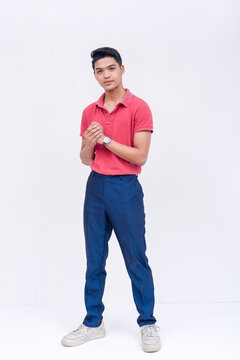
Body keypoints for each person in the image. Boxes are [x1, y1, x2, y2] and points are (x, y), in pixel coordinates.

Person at [61, 47, 161, 352]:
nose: (106, 75)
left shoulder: (139, 107)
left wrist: (105, 139)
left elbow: (140, 155)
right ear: (94, 74)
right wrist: (90, 143)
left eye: (111, 68)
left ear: (122, 69)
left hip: (125, 188)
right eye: (99, 71)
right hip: (96, 187)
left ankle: (147, 322)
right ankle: (93, 322)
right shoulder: (89, 111)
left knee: (136, 258)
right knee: (94, 260)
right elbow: (84, 158)